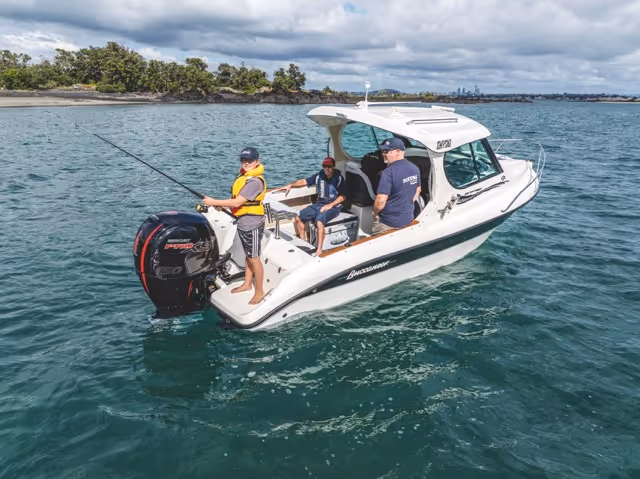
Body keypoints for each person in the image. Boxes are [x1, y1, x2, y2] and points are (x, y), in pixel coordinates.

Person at [202, 147, 266, 305]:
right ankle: (246, 283)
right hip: (243, 222)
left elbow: (238, 202)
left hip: (252, 223)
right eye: (243, 160)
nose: (246, 163)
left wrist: (214, 202)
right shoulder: (245, 178)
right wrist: (223, 207)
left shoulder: (255, 182)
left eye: (250, 160)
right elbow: (237, 203)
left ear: (257, 161)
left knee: (254, 258)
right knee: (248, 254)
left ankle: (259, 292)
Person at [278, 157, 347, 256]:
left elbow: (343, 197)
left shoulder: (339, 178)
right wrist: (290, 185)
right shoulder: (320, 175)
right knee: (298, 217)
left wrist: (330, 205)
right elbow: (304, 181)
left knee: (319, 222)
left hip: (334, 206)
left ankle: (319, 250)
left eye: (329, 166)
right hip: (319, 204)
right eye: (324, 166)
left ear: (334, 167)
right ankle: (304, 244)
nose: (326, 169)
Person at [372, 137, 421, 234]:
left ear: (398, 151)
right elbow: (418, 190)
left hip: (388, 223)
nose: (383, 154)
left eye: (386, 151)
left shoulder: (388, 173)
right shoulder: (415, 168)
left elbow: (380, 201)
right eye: (382, 150)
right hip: (408, 219)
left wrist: (375, 214)